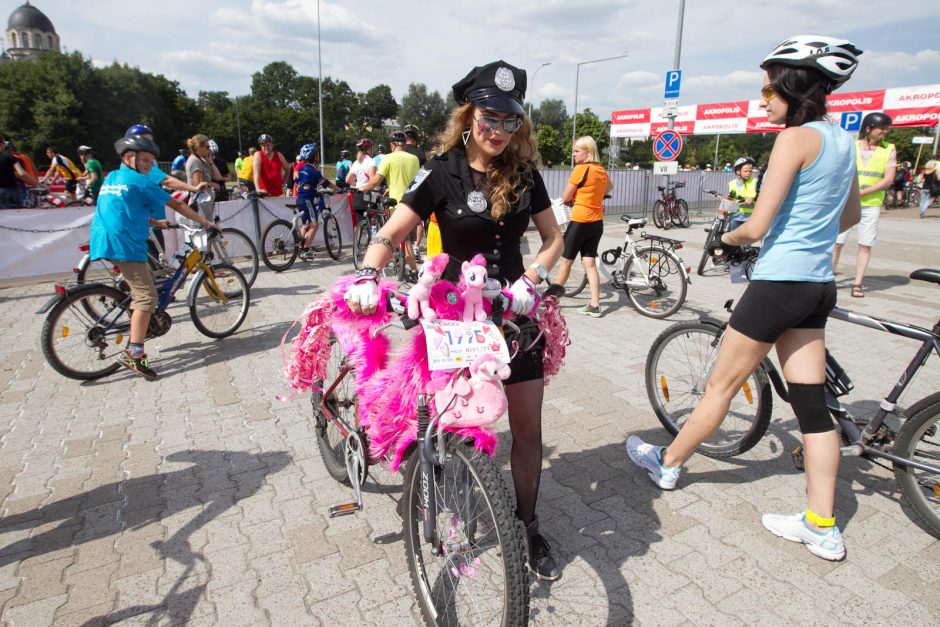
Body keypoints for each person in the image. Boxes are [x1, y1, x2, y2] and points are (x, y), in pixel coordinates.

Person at [626, 35, 863, 562]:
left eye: (767, 89)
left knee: (720, 387)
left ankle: (667, 463)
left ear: (793, 86)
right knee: (811, 410)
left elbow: (755, 226)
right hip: (817, 284)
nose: (762, 100)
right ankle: (821, 527)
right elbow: (848, 219)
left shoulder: (793, 139)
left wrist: (723, 237)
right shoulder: (844, 141)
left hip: (778, 283)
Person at [344, 60, 564, 580]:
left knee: (527, 428)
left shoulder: (525, 173)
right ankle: (441, 493)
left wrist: (530, 282)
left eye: (511, 122)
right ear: (469, 115)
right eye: (490, 118)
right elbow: (392, 232)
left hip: (514, 315)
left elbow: (555, 238)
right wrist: (368, 275)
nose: (498, 131)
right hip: (451, 319)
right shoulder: (439, 169)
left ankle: (526, 526)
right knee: (450, 423)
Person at [90, 135, 218, 380]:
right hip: (125, 244)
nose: (150, 166)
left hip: (104, 237)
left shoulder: (113, 178)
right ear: (129, 158)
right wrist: (205, 221)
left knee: (144, 284)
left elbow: (120, 208)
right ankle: (134, 354)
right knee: (147, 297)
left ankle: (139, 321)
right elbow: (178, 205)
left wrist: (154, 221)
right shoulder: (140, 181)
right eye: (146, 160)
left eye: (152, 161)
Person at [832, 112, 895, 298]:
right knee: (836, 243)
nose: (884, 131)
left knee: (865, 244)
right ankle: (826, 278)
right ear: (868, 129)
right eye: (880, 128)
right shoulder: (853, 146)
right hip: (847, 202)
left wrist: (862, 193)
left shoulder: (888, 149)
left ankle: (858, 284)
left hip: (871, 204)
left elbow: (888, 179)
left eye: (886, 128)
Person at [552, 135, 611, 317]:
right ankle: (595, 305)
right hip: (596, 222)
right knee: (589, 262)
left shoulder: (581, 169)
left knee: (565, 261)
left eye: (577, 151)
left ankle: (551, 301)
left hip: (580, 221)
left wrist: (575, 197)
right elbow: (609, 188)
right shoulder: (600, 170)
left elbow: (566, 195)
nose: (574, 154)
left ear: (588, 152)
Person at [358, 130, 421, 277]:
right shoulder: (414, 159)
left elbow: (376, 181)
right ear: (404, 144)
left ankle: (413, 271)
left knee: (404, 241)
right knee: (409, 239)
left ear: (391, 145)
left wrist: (362, 188)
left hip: (398, 206)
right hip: (414, 203)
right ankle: (406, 265)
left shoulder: (388, 158)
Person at [294, 143, 340, 260]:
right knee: (315, 225)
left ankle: (300, 245)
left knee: (306, 224)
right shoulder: (314, 171)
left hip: (299, 199)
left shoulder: (302, 169)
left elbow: (299, 181)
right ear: (315, 157)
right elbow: (326, 183)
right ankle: (306, 250)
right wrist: (338, 189)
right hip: (307, 200)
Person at [402, 124, 428, 252]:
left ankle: (400, 247)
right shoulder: (421, 154)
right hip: (416, 191)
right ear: (416, 138)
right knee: (418, 221)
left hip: (399, 190)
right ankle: (416, 246)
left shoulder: (399, 152)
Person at [185, 134, 222, 219]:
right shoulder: (195, 161)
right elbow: (198, 184)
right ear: (198, 147)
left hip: (205, 202)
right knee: (203, 231)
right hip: (200, 203)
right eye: (207, 147)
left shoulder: (201, 160)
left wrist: (211, 162)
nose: (209, 150)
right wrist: (212, 184)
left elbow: (218, 177)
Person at [0, 134, 39, 208]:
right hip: (13, 190)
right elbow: (22, 174)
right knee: (18, 215)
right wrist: (37, 183)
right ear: (1, 144)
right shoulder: (10, 157)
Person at [346, 138, 377, 219]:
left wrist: (357, 184)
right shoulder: (371, 161)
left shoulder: (356, 162)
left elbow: (347, 179)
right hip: (368, 195)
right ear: (369, 149)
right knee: (372, 223)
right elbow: (372, 178)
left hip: (357, 196)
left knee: (361, 225)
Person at [727, 156, 758, 230]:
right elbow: (731, 198)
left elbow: (757, 195)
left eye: (750, 171)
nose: (748, 173)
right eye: (746, 171)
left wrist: (752, 198)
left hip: (749, 216)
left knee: (746, 238)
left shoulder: (755, 182)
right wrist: (727, 212)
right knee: (732, 237)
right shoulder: (732, 183)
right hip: (735, 215)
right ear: (738, 171)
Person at [919, 154, 938, 218]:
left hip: (923, 187)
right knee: (927, 201)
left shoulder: (924, 171)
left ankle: (921, 211)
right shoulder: (935, 171)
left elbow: (921, 180)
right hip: (930, 188)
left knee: (922, 201)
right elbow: (938, 179)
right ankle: (923, 212)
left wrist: (925, 180)